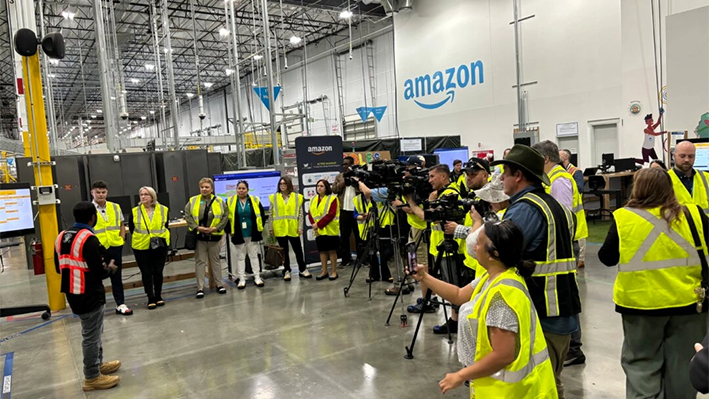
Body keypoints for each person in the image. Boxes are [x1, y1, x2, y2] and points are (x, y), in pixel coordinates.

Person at [410, 220, 558, 398]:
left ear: (493, 254)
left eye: (479, 243)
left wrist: (460, 375)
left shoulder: (502, 296)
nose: (474, 248)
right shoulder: (494, 277)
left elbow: (503, 355)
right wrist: (424, 277)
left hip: (511, 392)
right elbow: (458, 294)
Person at [598, 167, 708, 399]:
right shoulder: (694, 214)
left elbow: (606, 258)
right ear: (670, 188)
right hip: (689, 304)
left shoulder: (624, 218)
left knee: (641, 366)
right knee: (682, 367)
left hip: (641, 307)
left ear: (636, 189)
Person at [488, 144, 581, 399]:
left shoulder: (525, 209)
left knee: (540, 386)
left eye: (504, 173)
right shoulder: (553, 205)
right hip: (561, 309)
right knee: (551, 381)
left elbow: (497, 251)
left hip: (544, 312)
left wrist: (480, 227)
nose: (501, 179)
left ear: (518, 175)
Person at [54, 202, 122, 391]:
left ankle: (97, 364)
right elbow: (98, 271)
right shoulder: (88, 239)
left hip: (71, 291)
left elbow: (57, 267)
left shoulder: (61, 237)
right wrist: (111, 269)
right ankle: (92, 376)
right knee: (91, 335)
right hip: (89, 293)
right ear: (93, 217)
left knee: (94, 330)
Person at [533, 140, 588, 367]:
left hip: (565, 243)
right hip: (562, 243)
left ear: (545, 159)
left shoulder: (560, 180)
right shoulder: (552, 178)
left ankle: (574, 348)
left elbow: (563, 216)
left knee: (565, 293)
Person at [405, 164, 468, 335]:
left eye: (432, 177)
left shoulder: (450, 194)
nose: (429, 180)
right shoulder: (441, 193)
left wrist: (410, 200)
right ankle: (455, 319)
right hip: (439, 246)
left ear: (443, 177)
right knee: (448, 283)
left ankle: (455, 321)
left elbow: (426, 217)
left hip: (450, 248)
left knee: (452, 286)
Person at [90, 181, 132, 316]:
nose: (101, 195)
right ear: (92, 193)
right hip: (97, 249)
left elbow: (121, 225)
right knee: (96, 277)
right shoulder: (88, 208)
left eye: (103, 192)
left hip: (114, 246)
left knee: (116, 277)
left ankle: (120, 304)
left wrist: (121, 239)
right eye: (98, 192)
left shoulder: (115, 207)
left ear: (107, 193)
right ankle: (97, 306)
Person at [184, 177, 229, 298]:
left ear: (212, 189)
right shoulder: (193, 201)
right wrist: (197, 228)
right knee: (200, 262)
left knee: (215, 261)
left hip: (214, 236)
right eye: (202, 187)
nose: (204, 189)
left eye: (207, 187)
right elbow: (187, 216)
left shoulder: (219, 201)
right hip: (199, 237)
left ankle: (219, 284)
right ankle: (200, 288)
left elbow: (225, 216)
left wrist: (216, 228)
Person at [129, 186, 170, 309]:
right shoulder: (135, 211)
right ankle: (150, 297)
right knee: (146, 272)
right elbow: (132, 228)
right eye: (141, 194)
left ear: (152, 196)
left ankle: (158, 296)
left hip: (160, 245)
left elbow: (166, 225)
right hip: (141, 246)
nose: (143, 197)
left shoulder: (164, 209)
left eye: (146, 194)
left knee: (158, 271)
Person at [269, 176, 310, 280]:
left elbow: (300, 214)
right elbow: (271, 214)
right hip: (280, 228)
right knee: (284, 251)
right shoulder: (274, 197)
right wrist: (271, 228)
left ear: (289, 185)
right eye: (281, 184)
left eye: (284, 184)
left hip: (293, 228)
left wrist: (300, 227)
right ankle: (286, 270)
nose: (282, 185)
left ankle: (302, 269)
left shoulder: (297, 197)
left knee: (298, 250)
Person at [228, 180, 266, 289]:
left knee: (253, 255)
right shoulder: (230, 201)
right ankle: (242, 279)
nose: (241, 190)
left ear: (247, 190)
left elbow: (261, 215)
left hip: (252, 233)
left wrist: (259, 229)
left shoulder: (254, 200)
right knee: (240, 257)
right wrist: (229, 231)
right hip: (238, 233)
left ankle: (257, 277)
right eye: (239, 188)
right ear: (236, 189)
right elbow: (227, 218)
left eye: (243, 188)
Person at [356, 187, 394, 283]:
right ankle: (373, 274)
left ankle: (386, 274)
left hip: (382, 225)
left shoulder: (379, 194)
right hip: (369, 227)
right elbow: (355, 214)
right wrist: (363, 217)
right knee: (371, 251)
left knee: (384, 251)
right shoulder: (357, 199)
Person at [559, 149, 587, 269]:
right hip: (565, 209)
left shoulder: (576, 172)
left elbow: (580, 188)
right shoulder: (560, 172)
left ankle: (581, 259)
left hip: (576, 210)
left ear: (565, 158)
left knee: (579, 237)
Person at [308, 179, 340, 280]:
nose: (319, 188)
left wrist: (318, 224)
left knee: (332, 251)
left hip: (330, 229)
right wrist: (313, 224)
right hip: (319, 230)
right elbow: (310, 213)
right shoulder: (313, 199)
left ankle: (334, 271)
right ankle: (324, 271)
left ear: (326, 188)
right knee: (322, 251)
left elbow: (331, 214)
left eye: (321, 186)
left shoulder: (332, 199)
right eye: (318, 186)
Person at [332, 156, 357, 267]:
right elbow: (334, 189)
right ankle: (346, 259)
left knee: (359, 236)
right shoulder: (339, 176)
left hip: (357, 210)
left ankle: (363, 259)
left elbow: (362, 190)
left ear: (352, 164)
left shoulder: (358, 175)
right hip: (344, 210)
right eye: (343, 164)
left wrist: (354, 179)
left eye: (347, 164)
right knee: (344, 236)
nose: (345, 166)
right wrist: (343, 182)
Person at [670, 140, 709, 213]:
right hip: (679, 224)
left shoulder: (706, 178)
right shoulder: (664, 179)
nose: (687, 160)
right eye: (682, 156)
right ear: (674, 156)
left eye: (691, 156)